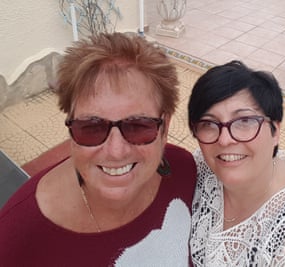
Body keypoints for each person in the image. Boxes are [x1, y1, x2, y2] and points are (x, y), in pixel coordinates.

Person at [0, 32, 196, 266]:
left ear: (165, 127)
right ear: (71, 128)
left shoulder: (185, 172)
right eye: (92, 127)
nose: (115, 151)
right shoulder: (18, 237)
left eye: (137, 126)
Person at [188, 60, 285, 266]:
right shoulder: (201, 169)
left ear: (275, 130)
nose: (224, 140)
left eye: (244, 121)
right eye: (209, 124)